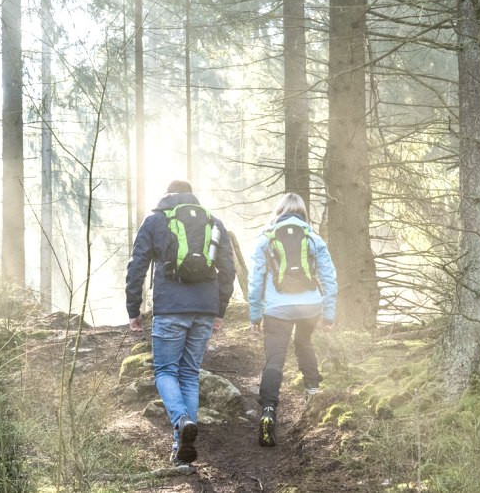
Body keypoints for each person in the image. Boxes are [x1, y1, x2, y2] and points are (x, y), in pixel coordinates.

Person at [125, 180, 236, 465]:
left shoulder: (156, 220)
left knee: (164, 371)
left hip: (170, 309)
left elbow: (137, 264)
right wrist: (219, 309)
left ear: (167, 195)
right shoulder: (213, 222)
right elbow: (228, 270)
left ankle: (181, 420)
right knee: (189, 374)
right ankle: (182, 452)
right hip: (205, 308)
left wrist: (133, 308)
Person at [247, 192, 337, 447]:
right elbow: (330, 277)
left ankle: (268, 411)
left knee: (275, 358)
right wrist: (329, 313)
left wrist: (255, 314)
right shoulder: (313, 236)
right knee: (304, 343)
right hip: (310, 307)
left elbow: (255, 281)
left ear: (279, 210)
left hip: (277, 310)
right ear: (303, 213)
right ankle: (313, 393)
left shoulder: (266, 237)